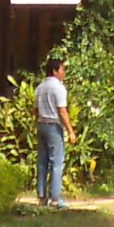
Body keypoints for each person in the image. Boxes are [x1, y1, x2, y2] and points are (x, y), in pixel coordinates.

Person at [34, 59, 74, 207]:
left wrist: (36, 122)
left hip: (41, 124)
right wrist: (70, 131)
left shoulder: (40, 87)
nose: (64, 73)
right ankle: (56, 198)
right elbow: (62, 111)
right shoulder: (59, 88)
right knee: (57, 162)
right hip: (53, 125)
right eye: (62, 70)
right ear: (55, 71)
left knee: (42, 162)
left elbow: (36, 109)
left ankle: (42, 196)